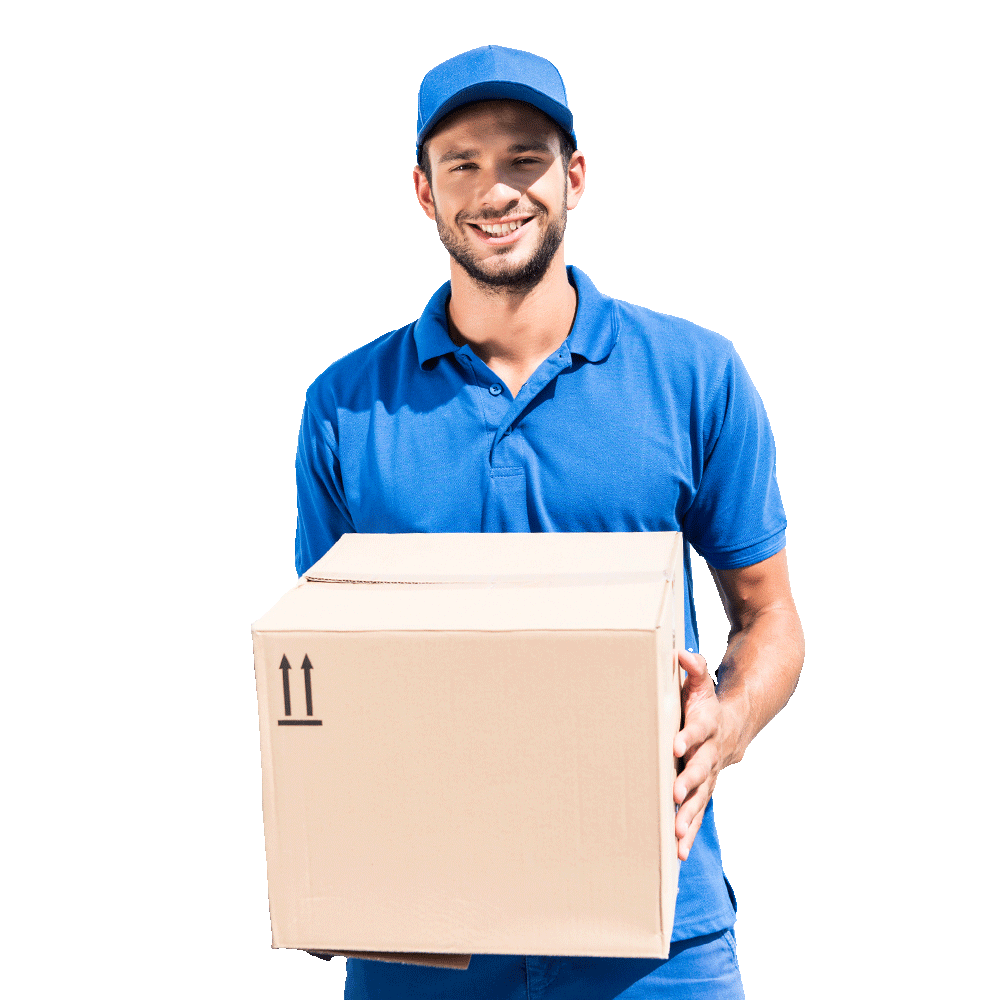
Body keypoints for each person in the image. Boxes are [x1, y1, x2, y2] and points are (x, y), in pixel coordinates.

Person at [295, 45, 804, 1000]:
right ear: (423, 193)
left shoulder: (695, 375)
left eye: (525, 158)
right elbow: (325, 667)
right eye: (465, 164)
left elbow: (769, 617)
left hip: (657, 926)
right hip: (421, 934)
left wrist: (725, 725)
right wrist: (325, 851)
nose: (498, 191)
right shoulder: (345, 406)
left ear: (573, 177)